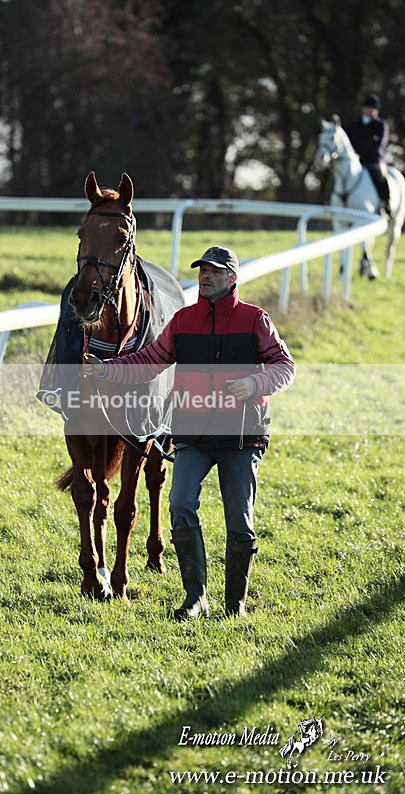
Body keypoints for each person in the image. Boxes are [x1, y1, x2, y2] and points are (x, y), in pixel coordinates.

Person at [83, 246, 295, 620]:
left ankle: (235, 604)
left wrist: (255, 383)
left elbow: (284, 366)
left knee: (239, 519)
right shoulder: (183, 321)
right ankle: (196, 597)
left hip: (241, 436)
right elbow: (148, 362)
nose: (205, 276)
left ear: (232, 279)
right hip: (193, 435)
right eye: (202, 270)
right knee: (180, 504)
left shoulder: (255, 320)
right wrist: (106, 369)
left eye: (215, 271)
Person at [345, 92, 391, 215]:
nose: (370, 110)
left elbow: (380, 144)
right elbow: (348, 142)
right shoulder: (354, 124)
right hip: (356, 160)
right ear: (363, 108)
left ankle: (385, 203)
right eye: (368, 108)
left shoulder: (381, 124)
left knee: (380, 177)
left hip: (373, 160)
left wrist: (360, 150)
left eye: (373, 108)